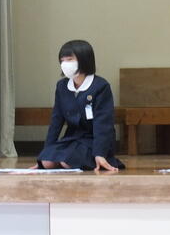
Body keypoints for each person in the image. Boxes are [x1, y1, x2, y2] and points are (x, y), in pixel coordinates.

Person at [37, 40, 124, 172]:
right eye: (62, 60)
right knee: (46, 162)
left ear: (84, 60)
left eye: (70, 59)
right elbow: (56, 120)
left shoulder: (100, 86)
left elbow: (103, 123)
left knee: (68, 161)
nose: (65, 64)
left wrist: (100, 154)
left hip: (93, 140)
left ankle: (94, 158)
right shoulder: (62, 86)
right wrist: (46, 151)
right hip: (72, 138)